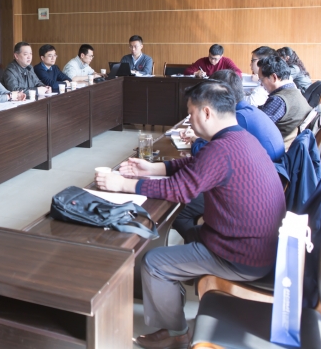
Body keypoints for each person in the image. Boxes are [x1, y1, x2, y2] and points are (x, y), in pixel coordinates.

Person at [95, 81, 285, 349]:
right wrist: (153, 168)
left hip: (241, 255)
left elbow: (179, 190)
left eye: (191, 112)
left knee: (154, 263)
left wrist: (123, 184)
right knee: (186, 234)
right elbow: (198, 164)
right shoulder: (240, 137)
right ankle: (172, 300)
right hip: (258, 247)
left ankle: (176, 334)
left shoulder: (221, 149)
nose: (189, 119)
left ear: (206, 112)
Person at [175, 70, 286, 243]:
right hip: (268, 190)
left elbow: (207, 155)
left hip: (250, 200)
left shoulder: (238, 119)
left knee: (179, 209)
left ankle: (201, 248)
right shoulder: (247, 111)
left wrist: (197, 140)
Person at [257, 55, 312, 147]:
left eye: (261, 80)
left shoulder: (278, 100)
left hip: (278, 149)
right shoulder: (294, 91)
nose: (261, 84)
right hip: (290, 146)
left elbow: (257, 127)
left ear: (274, 77)